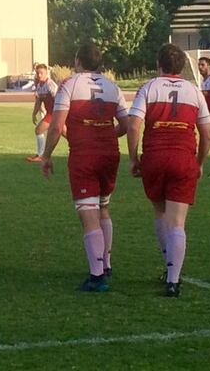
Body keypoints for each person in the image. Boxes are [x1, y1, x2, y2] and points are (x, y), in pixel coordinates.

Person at [40, 44, 128, 292]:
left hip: (84, 156)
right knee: (103, 208)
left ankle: (97, 276)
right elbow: (126, 123)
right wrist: (105, 134)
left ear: (77, 60)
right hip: (110, 154)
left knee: (88, 214)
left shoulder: (70, 84)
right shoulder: (112, 86)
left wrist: (46, 155)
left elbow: (56, 127)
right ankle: (106, 263)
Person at [128, 44, 210, 297]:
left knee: (160, 214)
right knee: (178, 222)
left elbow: (133, 126)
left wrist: (133, 158)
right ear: (182, 65)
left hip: (155, 157)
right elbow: (206, 134)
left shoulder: (149, 87)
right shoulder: (193, 90)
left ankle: (169, 268)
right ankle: (173, 281)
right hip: (182, 157)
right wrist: (199, 163)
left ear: (158, 63)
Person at [27, 63, 59, 163]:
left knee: (39, 130)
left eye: (41, 73)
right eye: (37, 73)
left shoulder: (50, 84)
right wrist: (34, 113)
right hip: (51, 113)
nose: (39, 75)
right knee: (66, 134)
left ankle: (41, 155)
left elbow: (58, 99)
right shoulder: (39, 85)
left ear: (46, 73)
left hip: (55, 113)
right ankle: (81, 149)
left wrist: (60, 115)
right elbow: (39, 101)